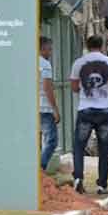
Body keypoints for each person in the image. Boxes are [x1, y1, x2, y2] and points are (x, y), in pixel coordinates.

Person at [69, 35, 108, 195]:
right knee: (104, 148)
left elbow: (74, 87)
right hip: (105, 110)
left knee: (79, 146)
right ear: (102, 45)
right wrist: (105, 90)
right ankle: (102, 184)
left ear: (87, 45)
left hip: (85, 109)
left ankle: (78, 177)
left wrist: (85, 90)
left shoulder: (78, 63)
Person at [39, 37, 60, 171]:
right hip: (44, 107)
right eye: (49, 49)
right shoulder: (45, 64)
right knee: (51, 140)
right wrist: (55, 109)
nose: (51, 52)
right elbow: (47, 87)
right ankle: (41, 167)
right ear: (43, 49)